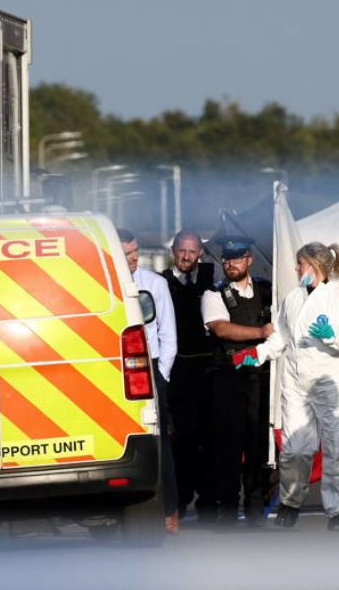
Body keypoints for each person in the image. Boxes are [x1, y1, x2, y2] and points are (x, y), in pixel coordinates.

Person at [233, 242, 339, 531]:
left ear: (314, 266)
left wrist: (332, 336)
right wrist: (258, 354)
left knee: (338, 449)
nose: (296, 269)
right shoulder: (293, 298)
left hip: (331, 385)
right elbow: (281, 337)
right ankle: (290, 501)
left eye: (300, 263)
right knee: (295, 451)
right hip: (295, 384)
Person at [201, 235, 275, 527]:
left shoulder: (268, 291)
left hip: (259, 377)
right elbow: (221, 329)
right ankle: (228, 510)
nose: (230, 263)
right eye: (226, 258)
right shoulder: (214, 293)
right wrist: (260, 333)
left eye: (236, 258)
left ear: (249, 259)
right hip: (229, 378)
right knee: (228, 446)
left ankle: (255, 509)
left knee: (257, 445)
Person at [118, 228, 180, 535]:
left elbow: (168, 334)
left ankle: (170, 509)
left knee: (160, 443)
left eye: (134, 252)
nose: (132, 258)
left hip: (152, 368)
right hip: (117, 369)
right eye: (126, 253)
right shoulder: (106, 284)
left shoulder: (154, 284)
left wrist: (162, 375)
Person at [163, 229, 220, 524]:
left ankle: (208, 503)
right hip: (179, 373)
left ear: (200, 253)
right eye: (181, 251)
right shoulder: (162, 283)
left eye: (192, 251)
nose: (186, 257)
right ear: (174, 251)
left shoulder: (212, 280)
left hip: (209, 371)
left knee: (210, 440)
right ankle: (181, 500)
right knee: (182, 441)